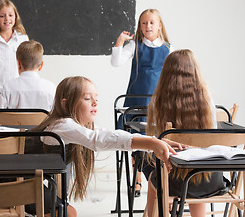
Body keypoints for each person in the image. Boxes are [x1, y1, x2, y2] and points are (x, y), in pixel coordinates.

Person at [33, 76, 184, 216]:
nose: (94, 103)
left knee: (69, 212)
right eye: (87, 98)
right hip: (17, 181)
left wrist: (154, 140)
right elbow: (98, 139)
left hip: (29, 179)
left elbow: (108, 134)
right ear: (65, 104)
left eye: (96, 99)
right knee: (69, 213)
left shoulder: (74, 128)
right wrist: (152, 143)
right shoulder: (62, 126)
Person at [145, 49, 230, 217]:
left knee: (154, 178)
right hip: (210, 180)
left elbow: (154, 144)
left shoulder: (158, 102)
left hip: (173, 181)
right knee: (195, 175)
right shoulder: (207, 101)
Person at [111, 9, 173, 196]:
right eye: (144, 23)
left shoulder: (168, 48)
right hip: (136, 102)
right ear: (140, 26)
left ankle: (159, 175)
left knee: (158, 138)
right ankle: (136, 178)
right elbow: (116, 62)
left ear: (159, 25)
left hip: (158, 104)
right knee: (135, 139)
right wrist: (120, 42)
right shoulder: (135, 46)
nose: (148, 26)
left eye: (152, 23)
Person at [0, 40, 56, 111]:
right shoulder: (50, 88)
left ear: (18, 64)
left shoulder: (8, 87)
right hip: (42, 122)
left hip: (13, 122)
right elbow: (56, 116)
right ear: (41, 65)